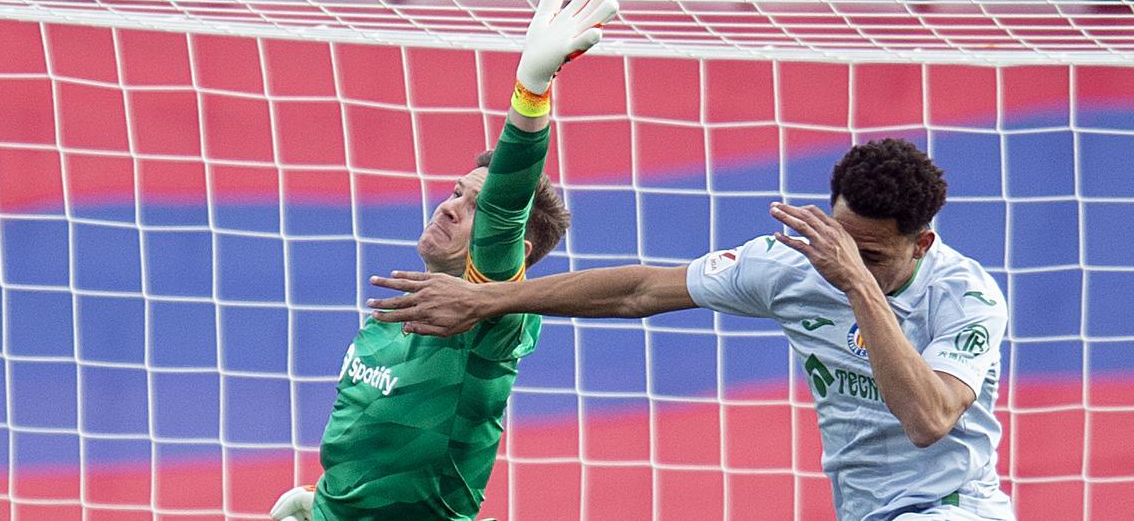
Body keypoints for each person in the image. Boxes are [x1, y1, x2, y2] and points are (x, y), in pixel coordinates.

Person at [369, 138, 1014, 520]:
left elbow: (928, 419)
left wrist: (857, 283)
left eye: (871, 254)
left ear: (922, 242)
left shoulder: (966, 297)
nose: (843, 258)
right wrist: (489, 301)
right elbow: (639, 290)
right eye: (841, 239)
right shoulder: (789, 265)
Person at [268, 0, 620, 521]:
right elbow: (373, 456)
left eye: (473, 204)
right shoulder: (391, 313)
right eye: (456, 191)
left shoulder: (487, 319)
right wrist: (319, 502)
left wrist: (531, 90)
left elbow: (507, 205)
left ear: (513, 253)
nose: (451, 205)